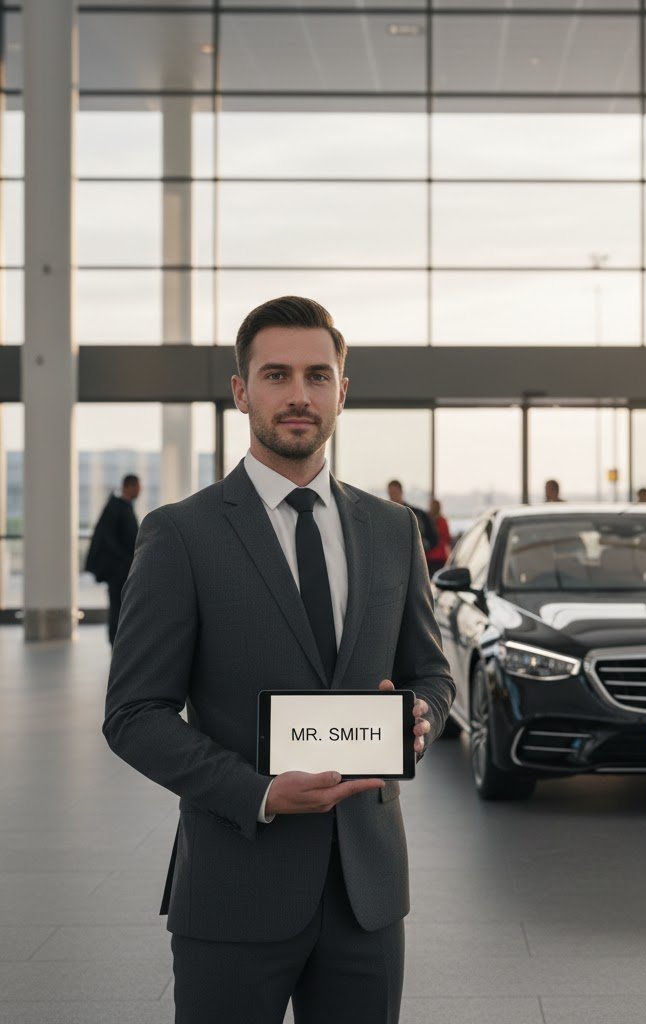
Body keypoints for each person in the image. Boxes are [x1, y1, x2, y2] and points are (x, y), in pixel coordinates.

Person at [103, 296, 455, 1024]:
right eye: (276, 375)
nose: (299, 396)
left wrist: (422, 715)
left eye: (319, 377)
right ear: (241, 392)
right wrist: (257, 791)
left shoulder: (393, 530)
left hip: (368, 893)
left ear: (342, 392)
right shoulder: (181, 535)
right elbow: (134, 715)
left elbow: (433, 673)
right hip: (235, 884)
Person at [85, 473, 141, 644]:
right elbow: (109, 540)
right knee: (118, 606)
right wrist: (126, 559)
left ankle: (120, 642)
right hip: (118, 571)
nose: (139, 491)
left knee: (120, 606)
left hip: (122, 568)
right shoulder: (118, 508)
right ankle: (117, 642)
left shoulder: (122, 507)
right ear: (128, 486)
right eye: (137, 486)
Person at [387, 479, 438, 551]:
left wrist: (421, 549)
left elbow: (433, 538)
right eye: (390, 494)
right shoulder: (387, 516)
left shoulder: (416, 514)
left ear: (401, 492)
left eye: (395, 493)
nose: (392, 497)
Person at [424, 498, 452, 577]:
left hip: (430, 556)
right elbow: (447, 539)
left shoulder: (428, 521)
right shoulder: (442, 521)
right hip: (439, 556)